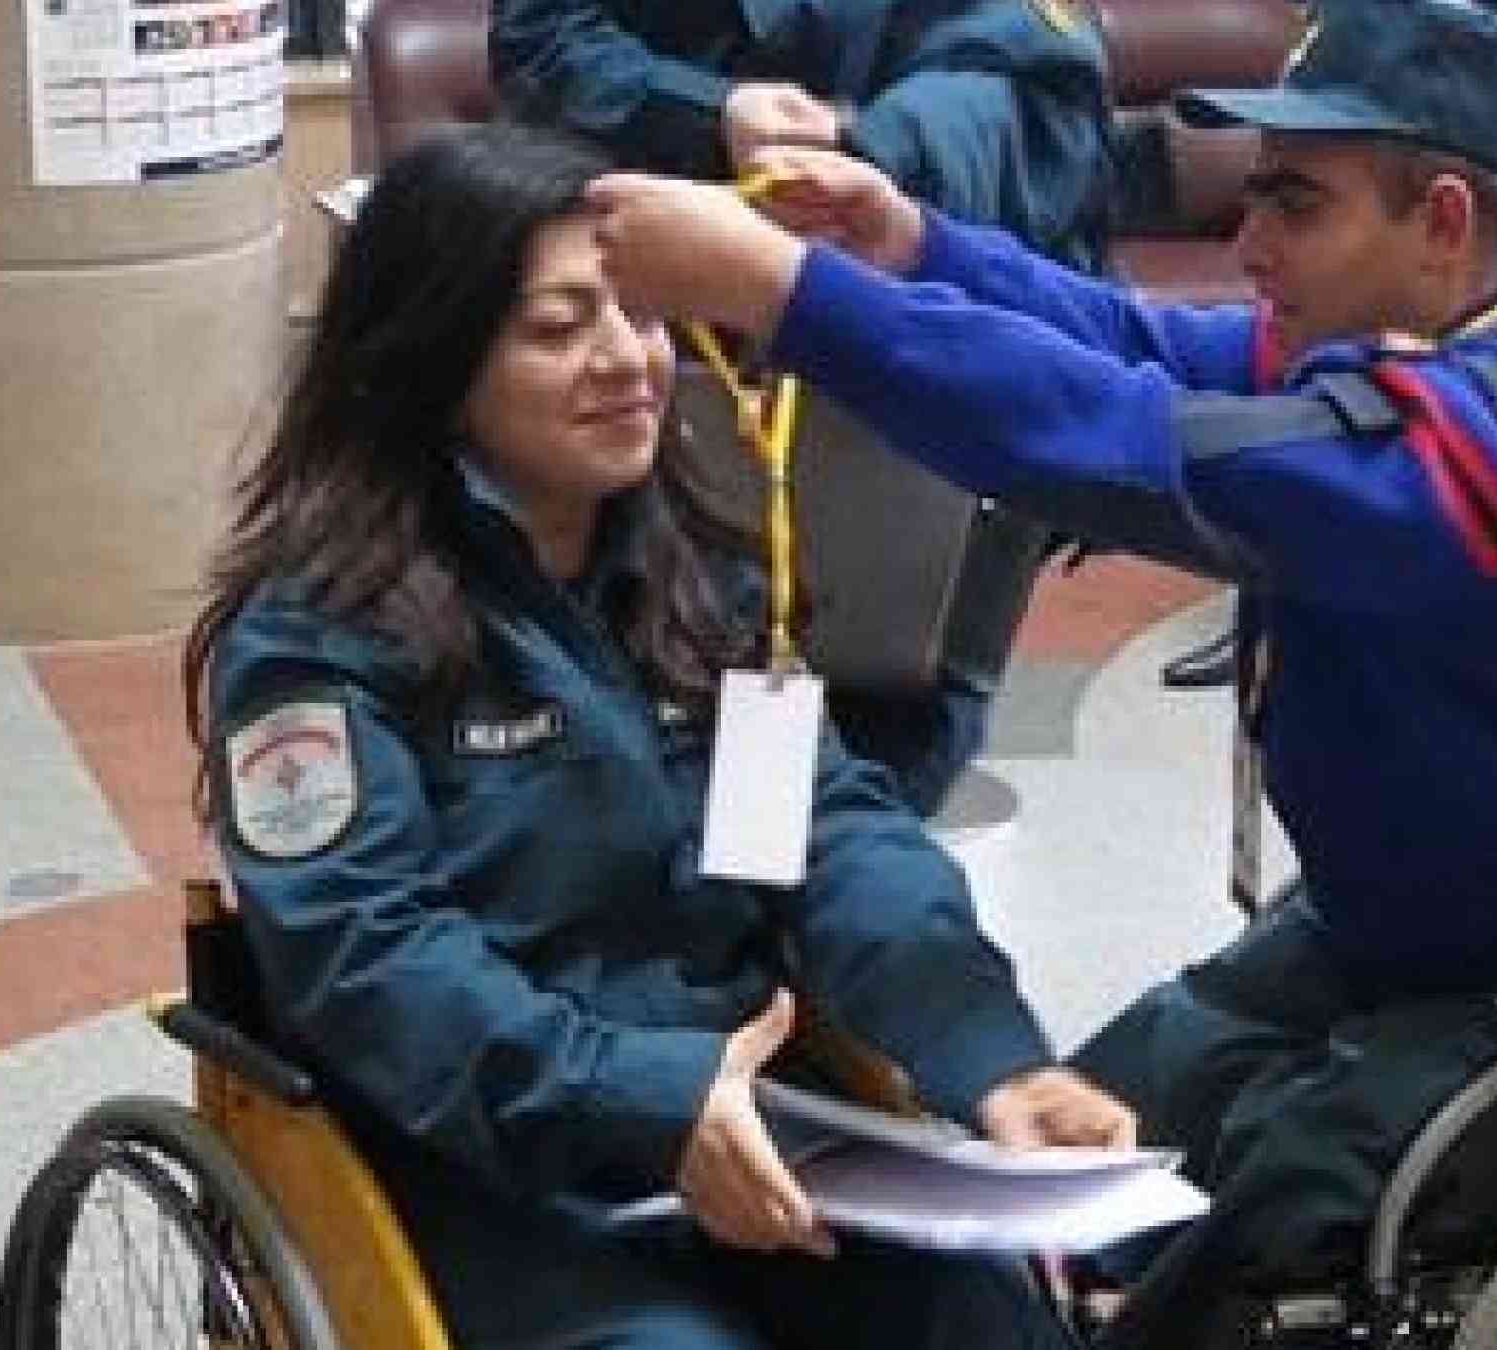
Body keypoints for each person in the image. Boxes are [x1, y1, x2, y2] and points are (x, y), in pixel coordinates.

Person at [578, 0, 1497, 1338]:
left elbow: (1121, 439)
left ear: (1443, 221)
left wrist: (787, 293)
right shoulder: (1402, 346)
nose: (1249, 241)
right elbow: (1136, 345)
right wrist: (910, 243)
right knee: (1092, 1125)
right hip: (1428, 909)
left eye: (1296, 203)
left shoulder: (1488, 459)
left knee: (1262, 1216)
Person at [183, 122, 1133, 1350]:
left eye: (639, 312)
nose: (629, 359)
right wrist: (648, 1100)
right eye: (558, 327)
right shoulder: (317, 639)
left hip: (746, 1118)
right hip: (482, 1166)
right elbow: (373, 961)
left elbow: (827, 836)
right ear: (432, 360)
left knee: (984, 1318)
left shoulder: (693, 583)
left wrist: (992, 1060)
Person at [488, 0, 1119, 810]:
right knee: (630, 729)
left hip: (914, 354)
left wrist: (866, 146)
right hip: (651, 346)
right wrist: (714, 113)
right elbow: (539, 41)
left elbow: (1037, 67)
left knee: (889, 761)